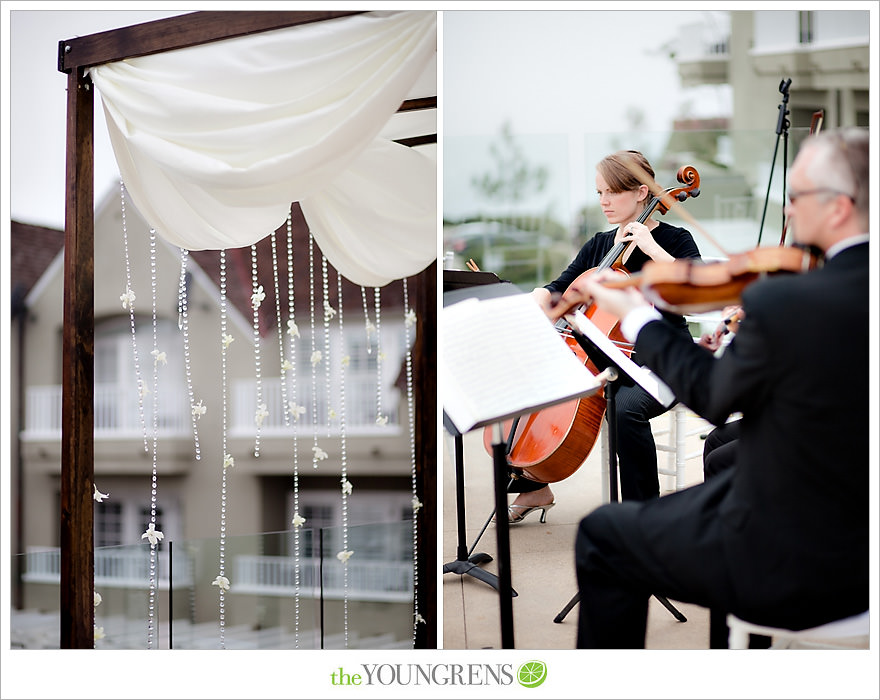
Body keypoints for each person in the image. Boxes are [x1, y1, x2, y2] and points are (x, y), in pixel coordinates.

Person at [568, 128, 868, 648]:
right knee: (723, 458)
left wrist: (641, 320)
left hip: (809, 559)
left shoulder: (792, 298)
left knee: (602, 535)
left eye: (795, 198)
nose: (789, 213)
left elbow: (714, 397)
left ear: (839, 207)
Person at [500, 150, 702, 523]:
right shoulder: (599, 245)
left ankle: (646, 519)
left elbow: (697, 285)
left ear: (643, 193)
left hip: (662, 359)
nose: (604, 202)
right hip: (606, 358)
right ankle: (533, 485)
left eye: (612, 192)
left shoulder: (675, 240)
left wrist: (651, 249)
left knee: (624, 409)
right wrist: (536, 301)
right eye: (599, 193)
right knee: (520, 387)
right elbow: (559, 287)